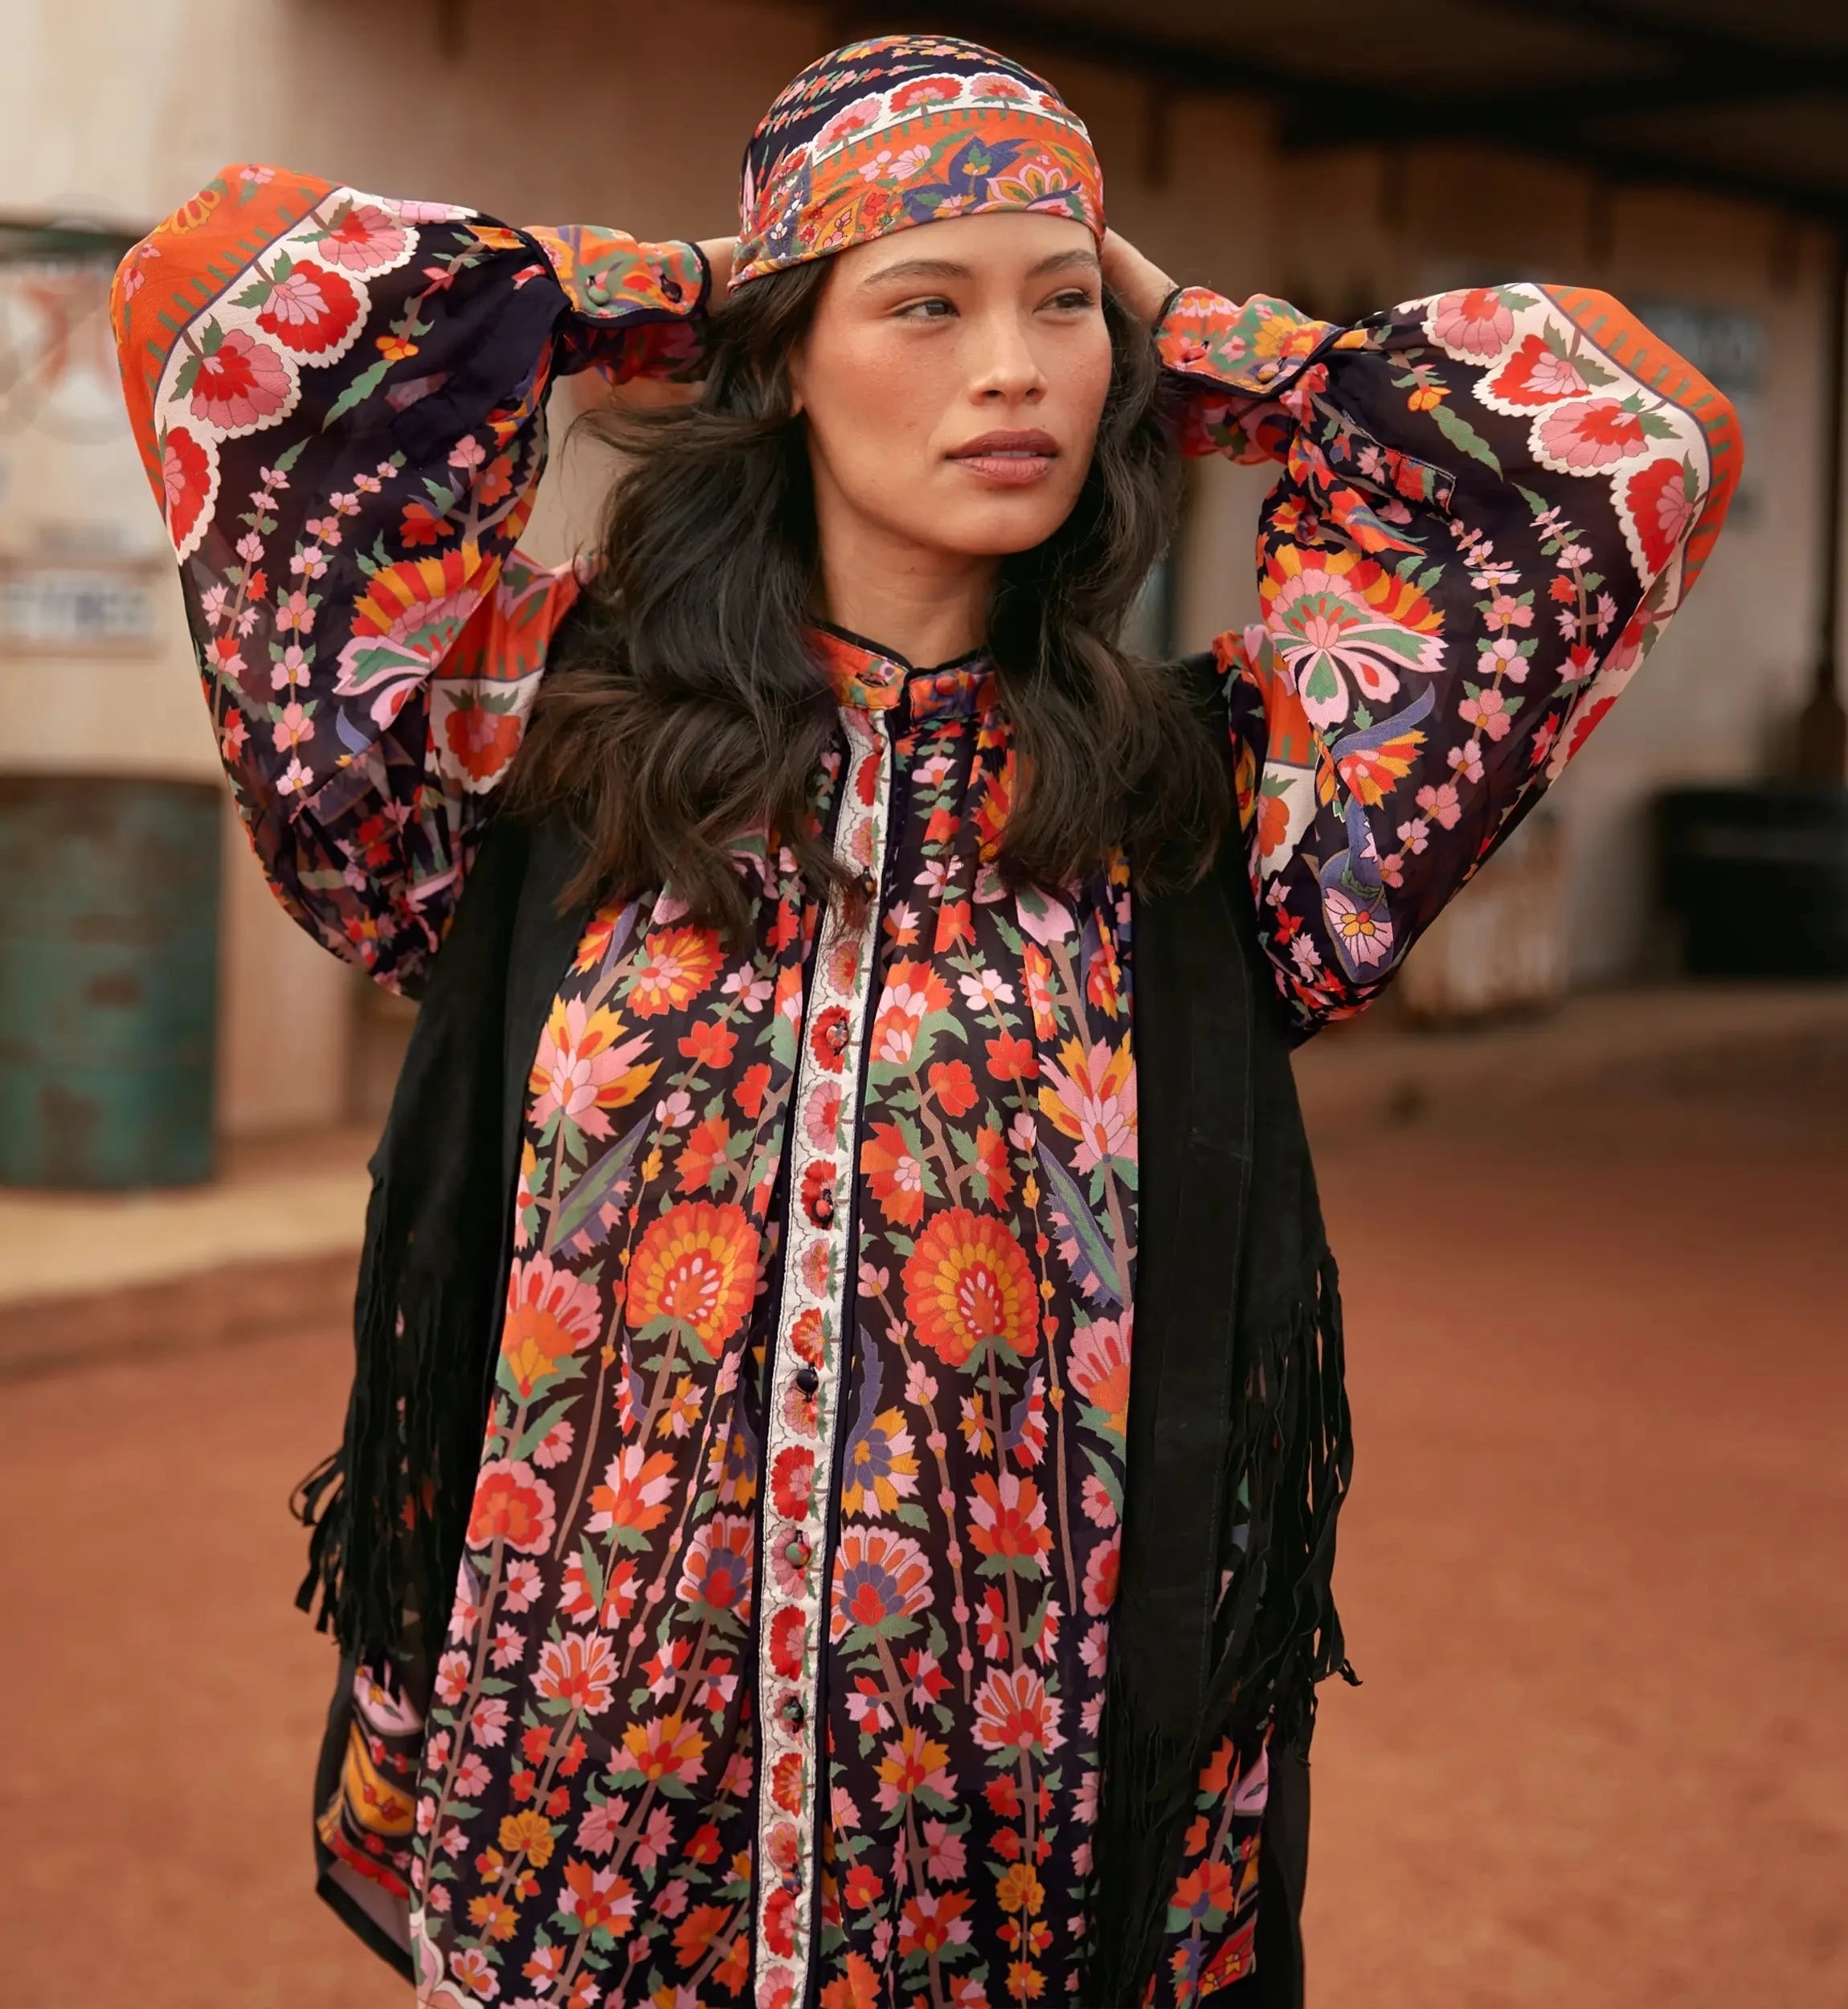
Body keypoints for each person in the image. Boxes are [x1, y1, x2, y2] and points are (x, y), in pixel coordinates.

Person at [112, 34, 1738, 2009]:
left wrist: (1205, 344)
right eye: (926, 306)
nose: (1017, 369)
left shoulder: (1222, 796)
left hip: (1013, 1831)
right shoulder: (542, 741)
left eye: (1062, 306)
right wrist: (686, 299)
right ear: (792, 354)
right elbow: (230, 314)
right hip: (592, 1804)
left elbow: (1627, 453)